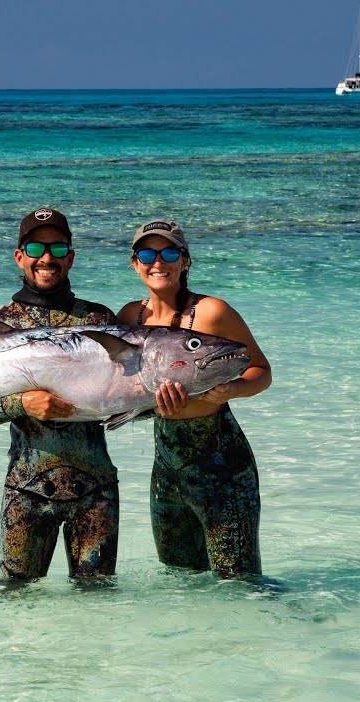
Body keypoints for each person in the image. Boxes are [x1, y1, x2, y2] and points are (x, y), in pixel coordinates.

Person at [116, 219, 272, 578]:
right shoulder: (129, 316)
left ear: (184, 260)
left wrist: (233, 389)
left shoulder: (212, 312)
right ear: (134, 262)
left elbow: (261, 370)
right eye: (147, 253)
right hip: (167, 469)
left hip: (224, 469)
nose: (159, 261)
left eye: (170, 252)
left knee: (240, 582)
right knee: (179, 580)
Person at [0, 208, 119, 582]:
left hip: (96, 490)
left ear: (70, 256)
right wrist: (22, 403)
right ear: (20, 256)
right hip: (26, 489)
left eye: (58, 247)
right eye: (36, 246)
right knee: (14, 602)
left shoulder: (100, 320)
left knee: (98, 604)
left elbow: (126, 395)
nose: (47, 257)